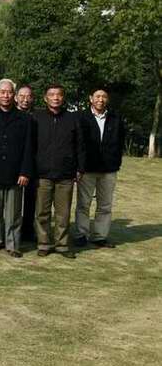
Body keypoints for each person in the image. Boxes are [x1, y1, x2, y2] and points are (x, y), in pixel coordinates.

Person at [33, 84, 86, 259]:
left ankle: (62, 245)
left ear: (63, 98)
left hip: (66, 174)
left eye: (59, 95)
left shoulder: (72, 118)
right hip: (42, 174)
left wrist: (80, 168)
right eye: (52, 94)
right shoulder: (37, 117)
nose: (55, 98)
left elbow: (80, 145)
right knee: (42, 212)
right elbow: (30, 145)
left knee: (63, 213)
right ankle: (44, 243)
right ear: (45, 98)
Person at [0, 79, 34, 258]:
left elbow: (29, 148)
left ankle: (13, 243)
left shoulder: (25, 119)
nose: (6, 96)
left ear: (14, 95)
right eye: (2, 92)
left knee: (13, 212)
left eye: (9, 92)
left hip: (16, 172)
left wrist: (25, 171)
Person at [74, 87, 126, 249]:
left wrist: (116, 162)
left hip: (109, 169)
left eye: (104, 96)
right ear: (91, 98)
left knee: (105, 205)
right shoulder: (81, 117)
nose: (100, 100)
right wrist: (79, 166)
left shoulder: (116, 118)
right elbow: (78, 143)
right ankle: (81, 234)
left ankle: (100, 236)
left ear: (107, 99)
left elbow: (120, 142)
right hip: (87, 168)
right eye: (97, 96)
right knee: (83, 204)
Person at [15, 84, 38, 242]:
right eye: (22, 96)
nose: (25, 99)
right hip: (14, 164)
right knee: (14, 202)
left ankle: (28, 230)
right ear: (16, 98)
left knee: (31, 200)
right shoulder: (11, 114)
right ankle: (12, 230)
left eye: (28, 96)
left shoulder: (37, 117)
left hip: (33, 164)